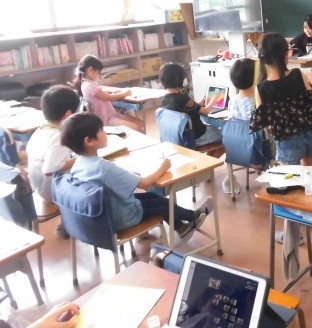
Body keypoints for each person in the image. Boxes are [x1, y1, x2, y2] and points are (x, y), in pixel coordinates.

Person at [60, 112, 213, 241]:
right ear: (89, 141)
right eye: (100, 130)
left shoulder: (78, 164)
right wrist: (163, 167)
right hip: (122, 218)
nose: (105, 133)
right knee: (163, 205)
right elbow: (145, 183)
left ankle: (183, 227)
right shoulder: (102, 167)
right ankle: (192, 217)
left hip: (103, 217)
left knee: (153, 197)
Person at [250, 32, 312, 166]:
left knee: (291, 177)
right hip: (308, 134)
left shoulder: (261, 88)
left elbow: (262, 121)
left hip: (287, 141)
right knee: (309, 175)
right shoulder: (298, 74)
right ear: (287, 54)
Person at [26, 85, 79, 238]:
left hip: (37, 184)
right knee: (92, 173)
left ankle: (68, 219)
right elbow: (50, 169)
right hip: (51, 189)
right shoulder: (59, 136)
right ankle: (68, 223)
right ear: (68, 113)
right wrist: (78, 159)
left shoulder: (41, 129)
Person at [158, 62, 222, 147]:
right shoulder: (182, 98)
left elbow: (187, 108)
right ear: (179, 79)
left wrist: (200, 102)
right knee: (226, 134)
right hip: (198, 136)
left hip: (179, 138)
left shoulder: (165, 99)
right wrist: (213, 101)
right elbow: (205, 111)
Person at [73, 55, 143, 131]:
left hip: (109, 115)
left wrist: (112, 92)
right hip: (106, 120)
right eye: (98, 73)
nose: (99, 76)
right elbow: (109, 98)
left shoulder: (85, 83)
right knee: (137, 126)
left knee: (140, 123)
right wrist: (125, 93)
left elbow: (100, 94)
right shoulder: (90, 85)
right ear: (90, 70)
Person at [222, 57, 258, 194]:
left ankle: (230, 178)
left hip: (235, 151)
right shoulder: (255, 104)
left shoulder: (233, 101)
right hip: (255, 152)